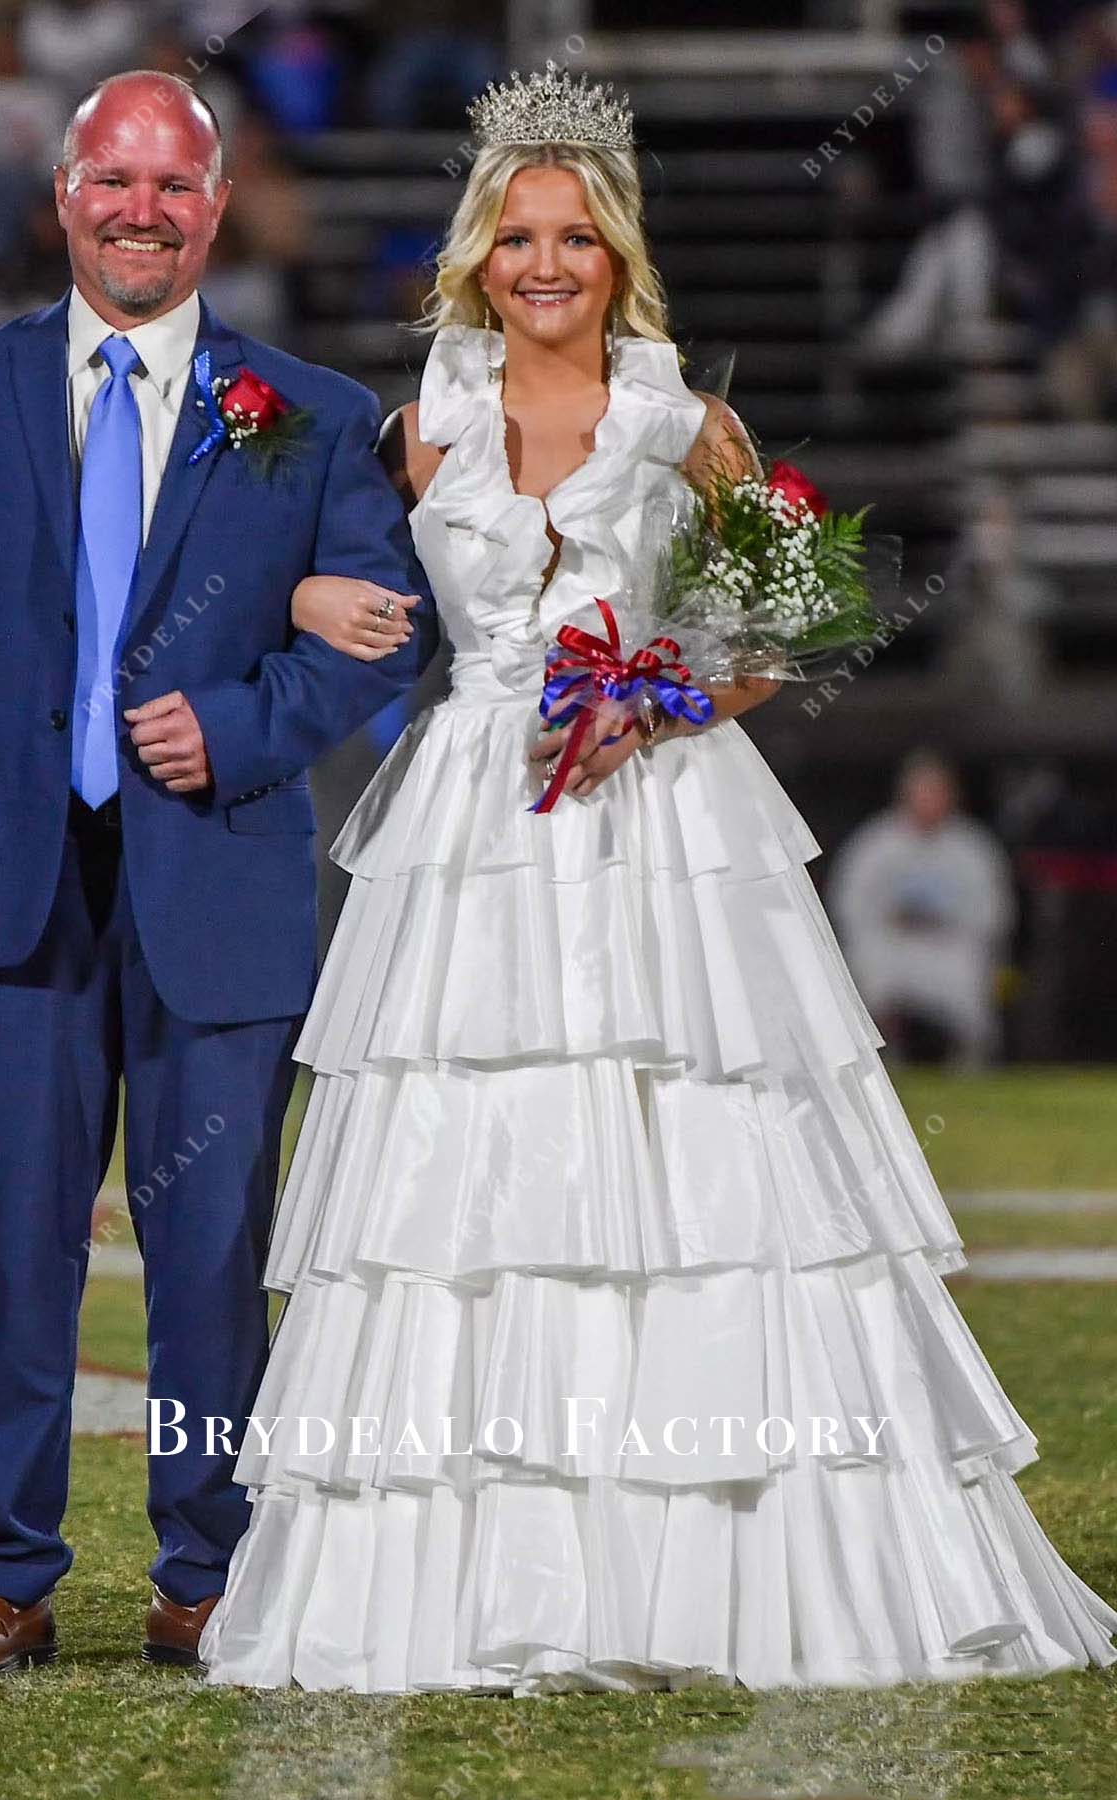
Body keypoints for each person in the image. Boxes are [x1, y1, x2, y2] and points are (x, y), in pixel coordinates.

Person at [199, 65, 1117, 1694]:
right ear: (479, 250)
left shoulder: (683, 422)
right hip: (474, 822)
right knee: (463, 1173)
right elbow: (300, 574)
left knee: (709, 1167)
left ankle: (728, 1561)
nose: (546, 265)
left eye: (577, 238)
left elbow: (795, 610)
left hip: (662, 825)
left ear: (619, 253)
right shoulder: (416, 428)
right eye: (519, 237)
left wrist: (666, 695)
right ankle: (472, 1574)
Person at [0, 69, 438, 1680]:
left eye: (175, 184)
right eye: (112, 179)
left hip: (215, 878)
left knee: (212, 1249)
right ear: (63, 192)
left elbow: (376, 635)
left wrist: (234, 722)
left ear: (217, 209)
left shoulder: (315, 414)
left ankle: (208, 1566)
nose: (141, 209)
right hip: (8, 879)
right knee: (12, 1246)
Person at [828, 753, 1016, 1069]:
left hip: (947, 945)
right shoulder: (875, 843)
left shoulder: (972, 848)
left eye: (937, 792)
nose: (929, 801)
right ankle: (882, 1057)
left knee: (971, 969)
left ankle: (970, 1060)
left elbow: (994, 912)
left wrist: (943, 924)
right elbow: (848, 903)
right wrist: (893, 921)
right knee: (868, 963)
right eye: (922, 792)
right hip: (890, 943)